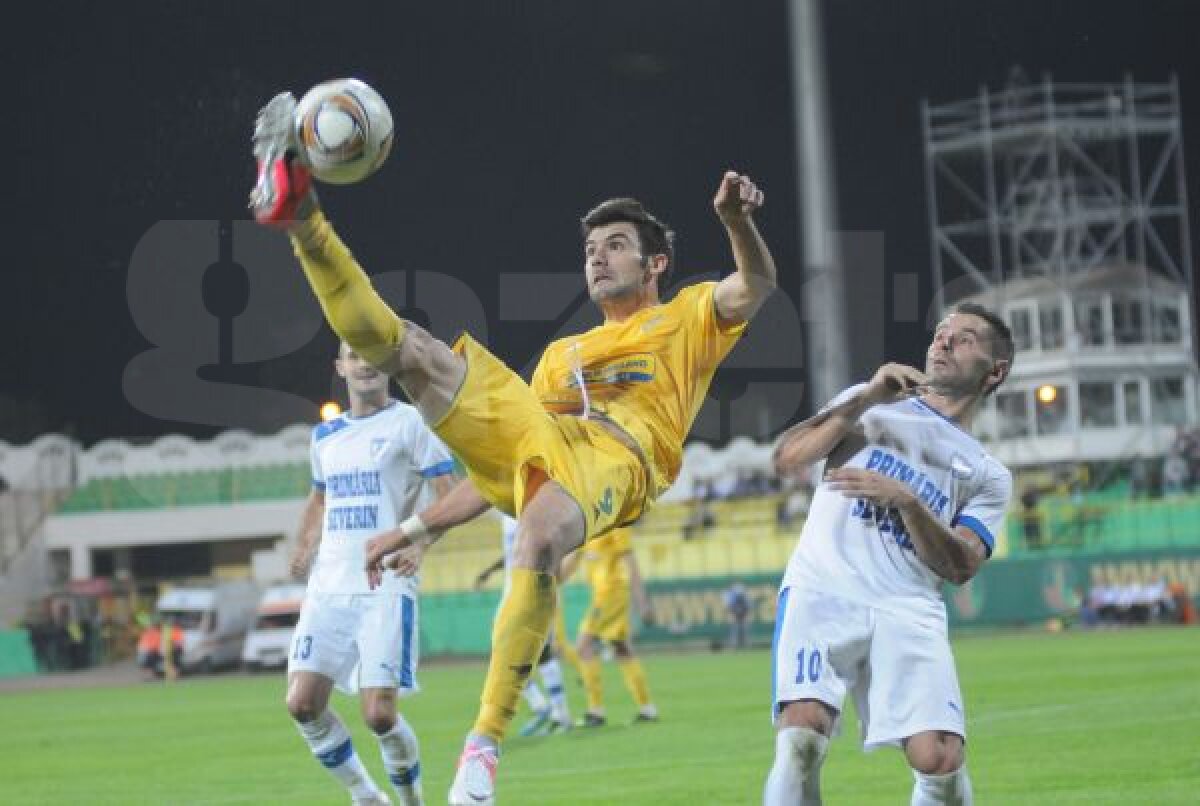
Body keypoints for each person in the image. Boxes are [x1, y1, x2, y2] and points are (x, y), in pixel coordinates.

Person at [250, 90, 777, 805]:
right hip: (551, 438)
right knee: (414, 351)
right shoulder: (562, 355)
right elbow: (511, 472)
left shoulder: (688, 314)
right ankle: (302, 219)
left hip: (621, 459)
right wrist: (414, 528)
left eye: (616, 245)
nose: (598, 258)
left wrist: (736, 222)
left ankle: (484, 741)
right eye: (591, 250)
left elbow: (756, 285)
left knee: (542, 528)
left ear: (656, 263)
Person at [767, 303, 1015, 806]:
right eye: (942, 332)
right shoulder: (873, 406)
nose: (943, 342)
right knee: (802, 738)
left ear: (996, 371)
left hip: (908, 605)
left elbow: (961, 565)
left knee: (940, 761)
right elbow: (787, 458)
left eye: (964, 338)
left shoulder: (988, 474)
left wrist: (908, 502)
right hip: (824, 587)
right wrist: (864, 398)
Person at [285, 342, 456, 806]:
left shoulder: (412, 423)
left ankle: (411, 803)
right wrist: (304, 545)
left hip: (384, 584)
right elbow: (320, 499)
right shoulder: (325, 436)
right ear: (339, 366)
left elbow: (449, 493)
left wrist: (420, 543)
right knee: (302, 704)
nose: (364, 365)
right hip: (328, 587)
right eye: (353, 357)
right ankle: (366, 796)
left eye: (372, 357)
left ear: (386, 366)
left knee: (379, 715)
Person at [473, 514, 572, 736]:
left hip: (530, 592)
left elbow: (550, 550)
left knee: (505, 653)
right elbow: (512, 553)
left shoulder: (536, 510)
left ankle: (544, 707)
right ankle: (558, 713)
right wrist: (490, 570)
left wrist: (550, 593)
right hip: (514, 591)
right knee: (539, 654)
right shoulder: (509, 514)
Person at [563, 526, 658, 726]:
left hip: (612, 593)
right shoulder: (588, 524)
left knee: (584, 646)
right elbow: (572, 562)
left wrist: (642, 601)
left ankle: (595, 711)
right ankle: (647, 708)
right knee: (621, 649)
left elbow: (631, 563)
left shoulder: (616, 524)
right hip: (603, 594)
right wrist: (550, 578)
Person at [724, 581, 751, 649]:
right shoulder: (733, 598)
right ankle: (733, 645)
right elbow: (730, 607)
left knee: (744, 630)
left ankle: (745, 645)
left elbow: (747, 607)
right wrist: (731, 615)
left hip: (743, 615)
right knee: (735, 631)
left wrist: (746, 615)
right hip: (735, 615)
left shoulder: (744, 598)